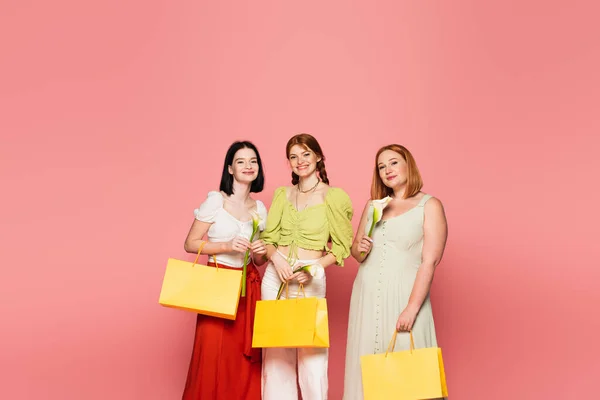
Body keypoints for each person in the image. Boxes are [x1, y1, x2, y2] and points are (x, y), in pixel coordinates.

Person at [343, 144, 448, 400]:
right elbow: (356, 254)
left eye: (393, 162)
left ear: (407, 164)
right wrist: (361, 246)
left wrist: (412, 308)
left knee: (409, 374)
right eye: (381, 166)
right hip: (367, 297)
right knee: (367, 366)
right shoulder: (374, 205)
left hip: (405, 296)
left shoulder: (429, 205)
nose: (387, 170)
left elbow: (430, 261)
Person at [260, 133, 354, 400]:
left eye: (305, 154)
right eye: (293, 156)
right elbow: (268, 240)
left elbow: (340, 247)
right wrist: (276, 260)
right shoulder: (282, 194)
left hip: (309, 277)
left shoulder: (333, 197)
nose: (300, 161)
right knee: (276, 356)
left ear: (318, 156)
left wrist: (313, 268)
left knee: (312, 356)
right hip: (274, 277)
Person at [181, 141, 268, 400]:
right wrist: (226, 245)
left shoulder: (260, 208)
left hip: (248, 287)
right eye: (240, 161)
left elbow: (260, 261)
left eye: (253, 161)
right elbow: (190, 243)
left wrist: (260, 250)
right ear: (230, 168)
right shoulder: (215, 200)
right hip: (217, 285)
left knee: (243, 358)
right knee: (212, 354)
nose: (248, 166)